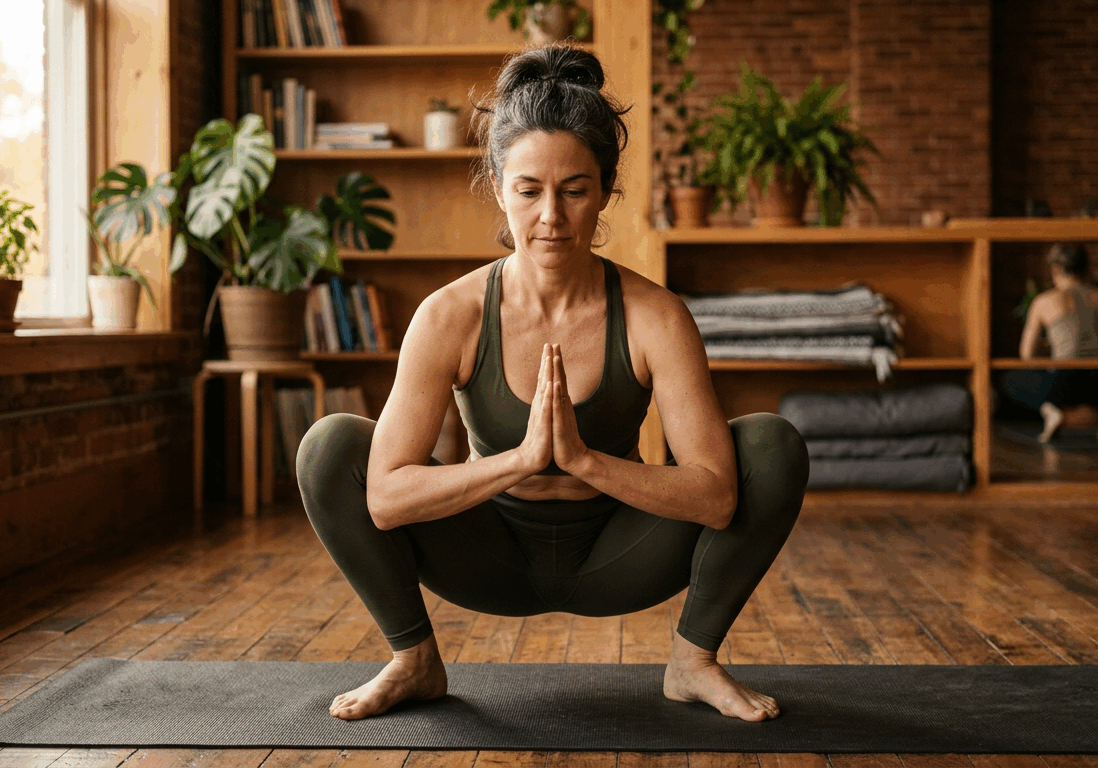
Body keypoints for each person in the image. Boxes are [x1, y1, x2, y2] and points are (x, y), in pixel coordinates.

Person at [296, 43, 810, 723]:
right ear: (498, 186)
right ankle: (414, 658)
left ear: (603, 189)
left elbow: (716, 496)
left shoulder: (656, 317)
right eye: (529, 191)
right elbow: (387, 498)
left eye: (574, 191)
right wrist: (523, 460)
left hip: (621, 554)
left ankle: (693, 661)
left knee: (771, 446)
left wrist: (583, 462)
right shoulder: (448, 316)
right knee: (330, 447)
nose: (551, 218)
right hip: (486, 554)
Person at [1004, 243, 1098, 442]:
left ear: (1055, 269)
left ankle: (1061, 415)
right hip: (1096, 382)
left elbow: (1027, 355)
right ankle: (1086, 416)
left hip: (1063, 383)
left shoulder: (1044, 301)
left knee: (1012, 380)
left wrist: (1049, 357)